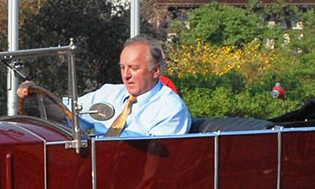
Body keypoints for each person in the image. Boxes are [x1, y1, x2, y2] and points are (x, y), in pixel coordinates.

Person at [17, 35, 190, 137]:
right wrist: (36, 95)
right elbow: (67, 114)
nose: (126, 75)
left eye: (134, 68)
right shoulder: (109, 93)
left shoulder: (171, 110)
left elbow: (155, 163)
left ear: (156, 70)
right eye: (123, 67)